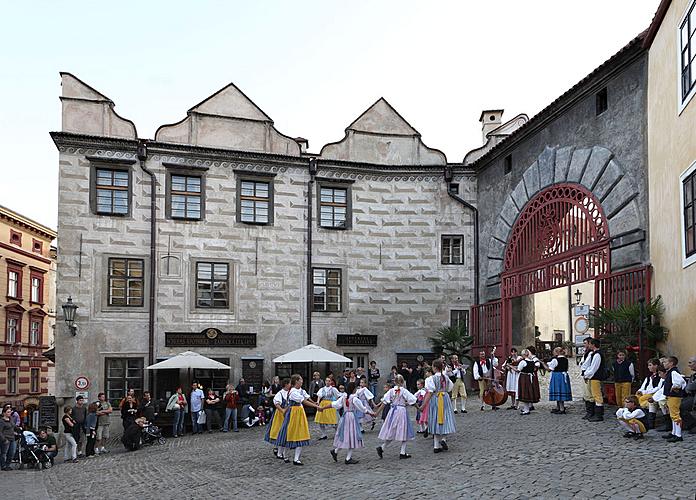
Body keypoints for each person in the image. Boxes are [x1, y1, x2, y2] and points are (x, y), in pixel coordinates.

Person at [274, 374, 325, 465]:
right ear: (297, 381)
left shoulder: (300, 390)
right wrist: (316, 407)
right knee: (290, 433)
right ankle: (285, 455)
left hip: (299, 413)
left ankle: (296, 459)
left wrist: (315, 403)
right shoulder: (293, 392)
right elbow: (303, 401)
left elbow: (306, 398)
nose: (302, 381)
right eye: (300, 379)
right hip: (293, 414)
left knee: (300, 434)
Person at [330, 382, 376, 465]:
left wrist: (323, 407)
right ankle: (348, 458)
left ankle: (336, 451)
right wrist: (371, 413)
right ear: (354, 389)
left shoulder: (344, 397)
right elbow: (363, 409)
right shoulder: (354, 398)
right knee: (352, 437)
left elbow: (335, 404)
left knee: (344, 435)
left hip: (344, 417)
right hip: (351, 417)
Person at [374, 374, 417, 459]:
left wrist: (377, 413)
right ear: (402, 382)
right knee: (404, 431)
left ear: (395, 381)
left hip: (393, 411)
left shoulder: (391, 391)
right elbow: (412, 400)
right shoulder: (404, 391)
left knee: (392, 431)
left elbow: (384, 402)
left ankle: (382, 447)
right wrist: (419, 408)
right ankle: (402, 452)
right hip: (401, 412)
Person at [423, 359, 455, 453]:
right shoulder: (445, 377)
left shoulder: (430, 379)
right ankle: (443, 439)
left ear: (435, 368)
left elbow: (430, 390)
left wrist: (424, 404)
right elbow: (450, 387)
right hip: (445, 398)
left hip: (436, 399)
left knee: (435, 418)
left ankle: (436, 446)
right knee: (445, 418)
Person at [662, 356, 687, 442]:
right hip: (671, 396)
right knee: (672, 415)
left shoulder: (674, 372)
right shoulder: (671, 372)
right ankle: (674, 432)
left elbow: (680, 382)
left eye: (665, 362)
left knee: (675, 415)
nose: (664, 363)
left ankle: (678, 435)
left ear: (671, 363)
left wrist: (674, 387)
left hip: (674, 396)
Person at [265, 378, 291, 458]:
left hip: (289, 414)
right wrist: (282, 410)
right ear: (286, 384)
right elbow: (277, 403)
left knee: (287, 431)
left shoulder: (291, 392)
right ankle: (277, 448)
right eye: (290, 383)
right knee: (278, 430)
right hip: (280, 415)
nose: (290, 385)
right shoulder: (280, 393)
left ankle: (283, 449)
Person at [583, 338, 607, 422]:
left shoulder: (597, 355)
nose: (589, 345)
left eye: (590, 344)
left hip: (596, 377)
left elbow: (593, 368)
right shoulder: (594, 354)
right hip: (593, 377)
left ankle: (599, 415)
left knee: (597, 395)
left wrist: (586, 374)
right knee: (595, 395)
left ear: (593, 345)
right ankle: (597, 414)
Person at [636, 358, 662, 430]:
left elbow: (658, 388)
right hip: (645, 393)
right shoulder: (648, 377)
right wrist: (640, 391)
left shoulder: (660, 377)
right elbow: (643, 386)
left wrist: (644, 392)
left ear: (656, 366)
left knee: (643, 400)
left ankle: (647, 420)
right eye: (648, 365)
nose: (648, 367)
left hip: (653, 394)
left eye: (650, 365)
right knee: (635, 398)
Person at [545, 347, 572, 414]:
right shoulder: (565, 359)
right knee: (560, 391)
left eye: (554, 351)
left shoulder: (555, 360)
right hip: (563, 376)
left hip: (557, 376)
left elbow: (549, 369)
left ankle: (562, 408)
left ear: (557, 352)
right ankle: (558, 407)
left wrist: (543, 363)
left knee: (558, 391)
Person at [517, 349, 541, 415]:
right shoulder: (532, 361)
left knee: (525, 392)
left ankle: (527, 410)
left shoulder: (523, 362)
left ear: (524, 354)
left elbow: (518, 370)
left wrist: (510, 366)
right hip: (530, 378)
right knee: (527, 392)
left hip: (524, 378)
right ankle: (526, 408)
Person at [579, 337, 595, 420]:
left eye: (585, 343)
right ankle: (588, 411)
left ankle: (591, 412)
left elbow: (586, 364)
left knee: (589, 394)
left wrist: (586, 374)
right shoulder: (587, 353)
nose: (584, 345)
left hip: (588, 375)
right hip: (584, 374)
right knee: (586, 394)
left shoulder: (591, 353)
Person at [679, 356, 696, 433]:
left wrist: (690, 386)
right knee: (677, 405)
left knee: (681, 406)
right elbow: (688, 388)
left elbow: (691, 387)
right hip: (691, 396)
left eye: (690, 363)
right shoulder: (693, 375)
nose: (689, 365)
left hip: (694, 397)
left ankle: (693, 425)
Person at [1, 406, 21, 470]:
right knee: (4, 453)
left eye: (10, 412)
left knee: (12, 453)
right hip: (5, 439)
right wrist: (4, 439)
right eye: (8, 412)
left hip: (12, 439)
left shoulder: (11, 419)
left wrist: (19, 429)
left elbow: (14, 426)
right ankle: (3, 466)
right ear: (4, 413)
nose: (10, 413)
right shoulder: (1, 421)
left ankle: (8, 465)